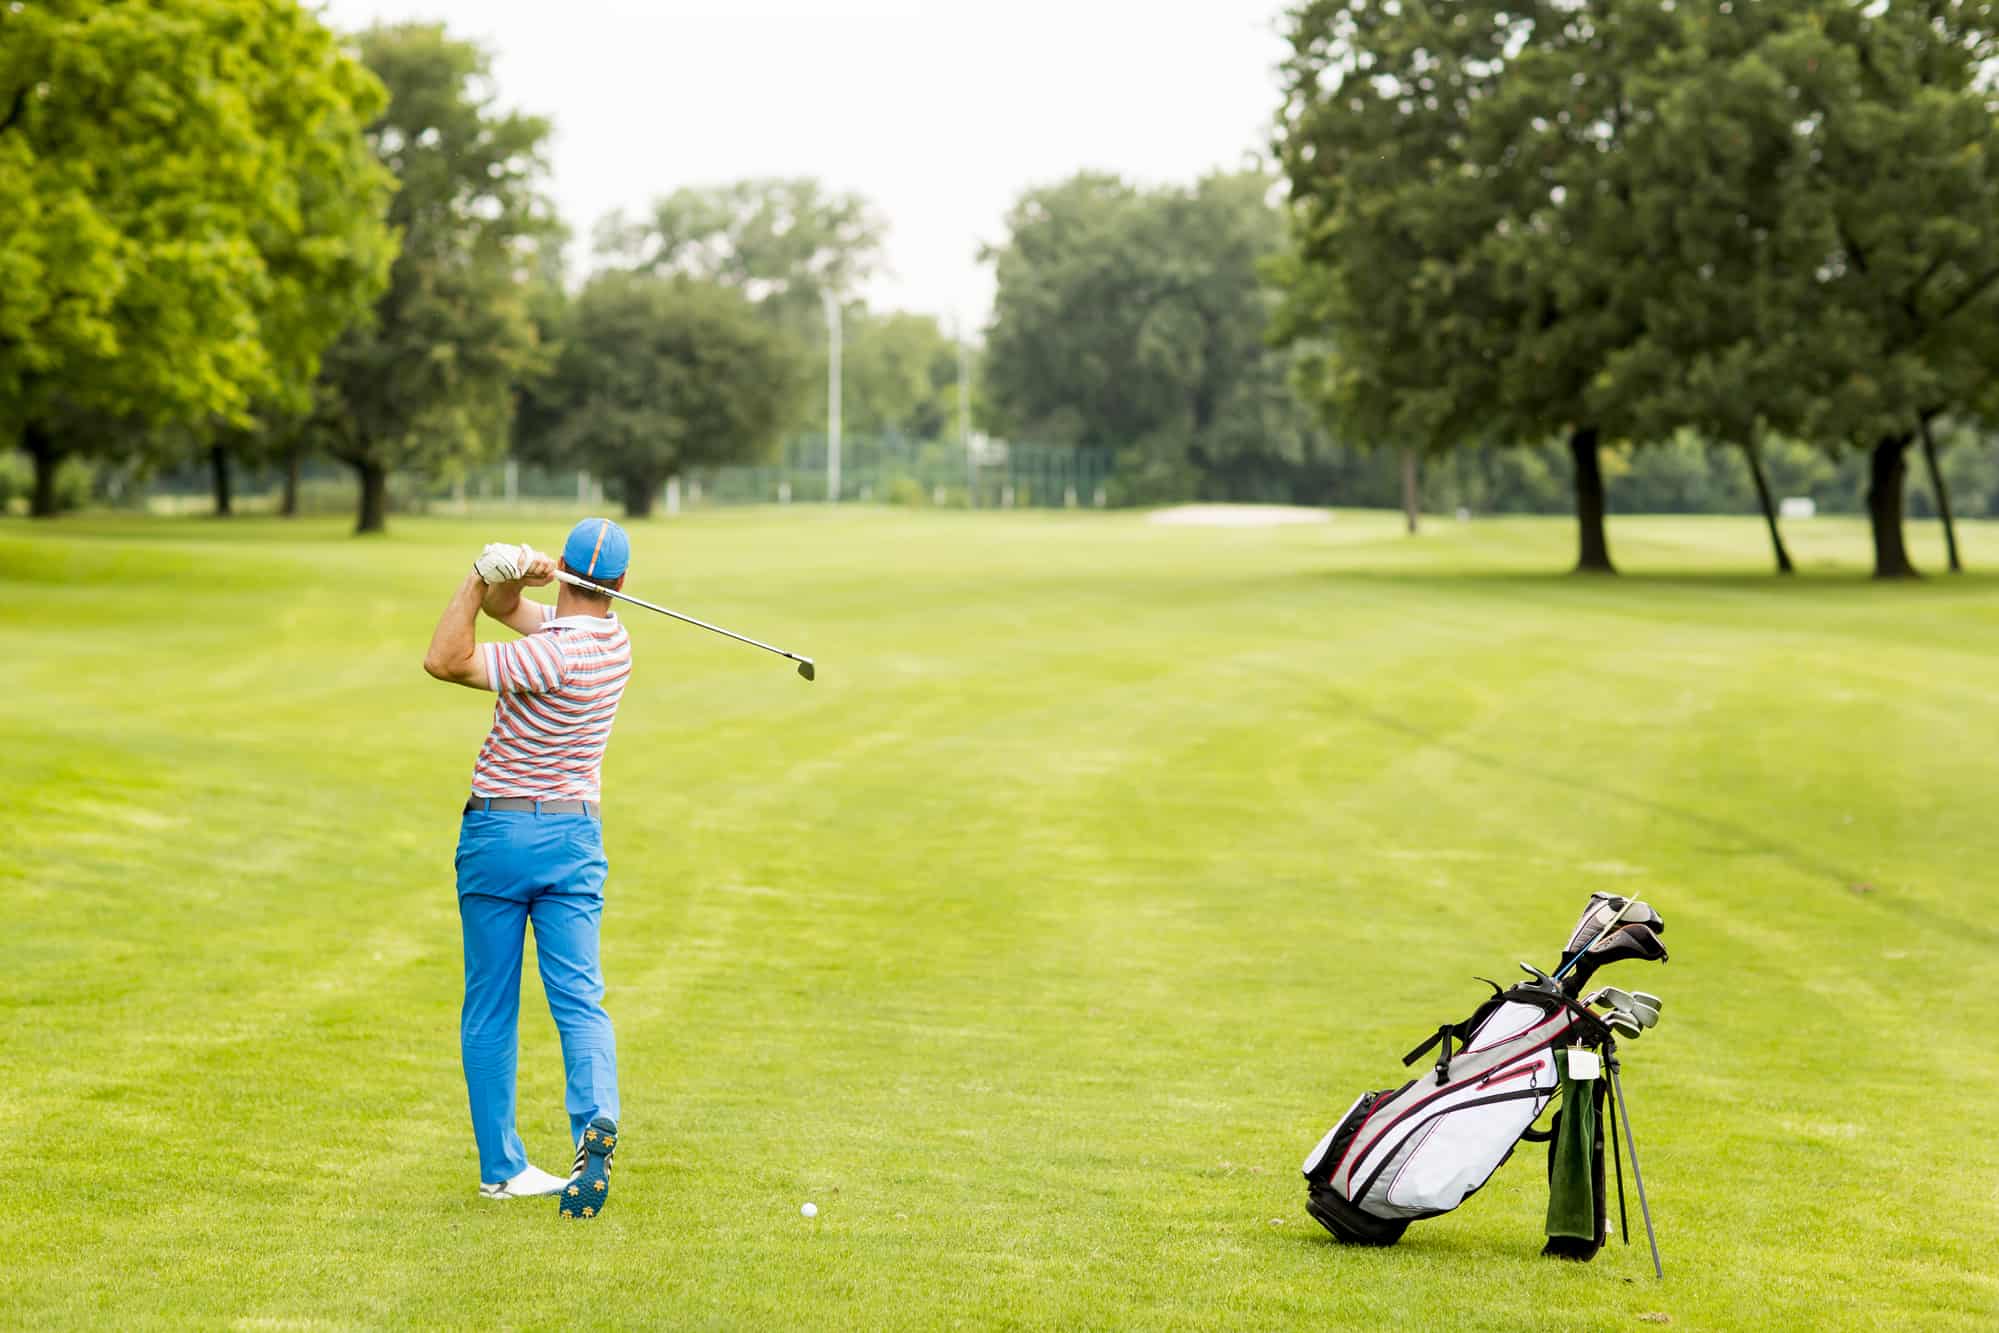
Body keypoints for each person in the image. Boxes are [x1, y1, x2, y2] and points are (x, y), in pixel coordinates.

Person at [421, 518, 635, 1218]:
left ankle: (502, 1168)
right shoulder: (614, 645)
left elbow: (445, 658)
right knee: (580, 998)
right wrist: (514, 582)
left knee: (490, 1003)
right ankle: (594, 1119)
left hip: (499, 833)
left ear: (568, 569)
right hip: (574, 837)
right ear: (621, 586)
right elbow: (513, 614)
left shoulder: (548, 657)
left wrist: (481, 573)